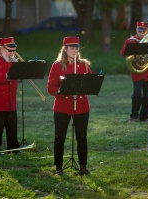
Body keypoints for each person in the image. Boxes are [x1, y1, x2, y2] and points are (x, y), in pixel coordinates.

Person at [47, 36, 91, 175]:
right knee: (59, 137)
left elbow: (90, 84)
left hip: (82, 106)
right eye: (72, 48)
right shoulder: (57, 65)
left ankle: (83, 167)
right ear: (65, 49)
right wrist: (63, 92)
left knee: (82, 137)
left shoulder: (84, 65)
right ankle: (58, 167)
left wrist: (83, 90)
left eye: (77, 48)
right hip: (62, 106)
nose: (75, 50)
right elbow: (51, 87)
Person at [121, 21, 148, 121]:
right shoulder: (131, 41)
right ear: (136, 30)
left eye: (144, 30)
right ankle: (134, 115)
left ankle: (145, 116)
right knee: (137, 93)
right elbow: (123, 53)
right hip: (137, 72)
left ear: (147, 31)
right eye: (140, 30)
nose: (142, 32)